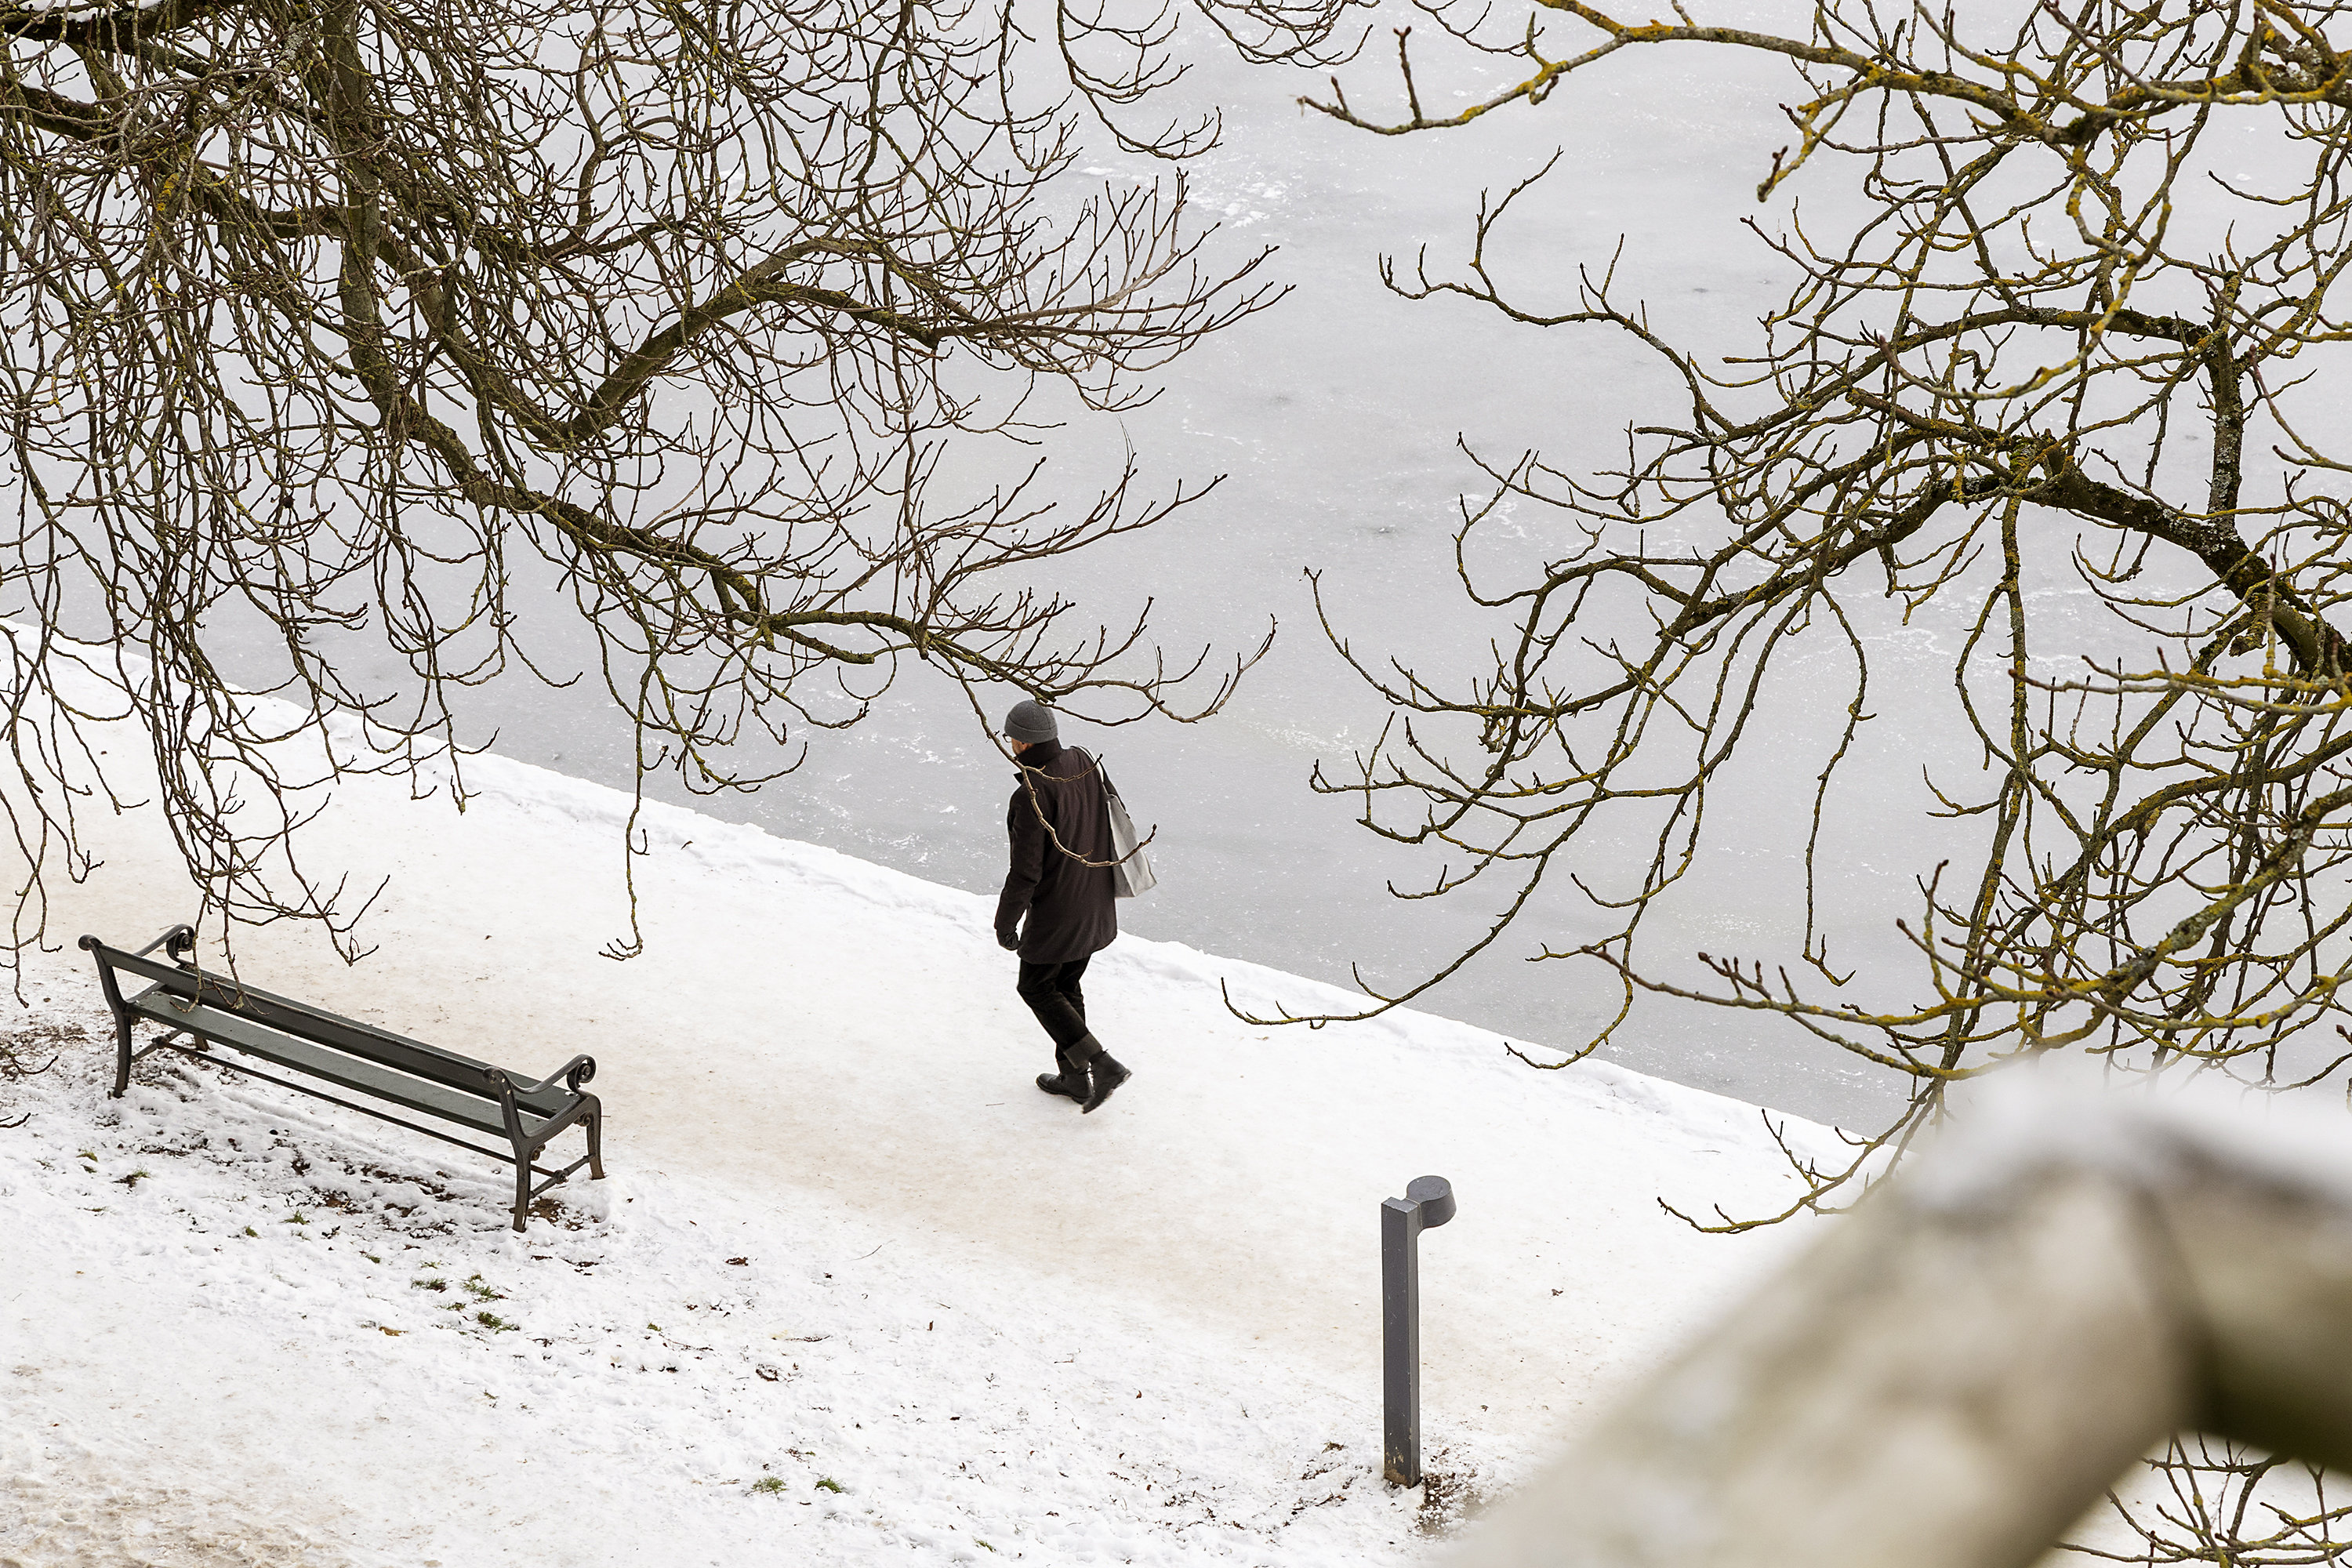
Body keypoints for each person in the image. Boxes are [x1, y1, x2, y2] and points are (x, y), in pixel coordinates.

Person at [994, 699, 1131, 1112]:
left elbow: (1026, 873)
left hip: (1059, 913)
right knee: (1066, 987)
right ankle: (1076, 1080)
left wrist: (1006, 922)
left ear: (1020, 742)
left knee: (1035, 986)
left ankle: (1102, 1064)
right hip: (1094, 901)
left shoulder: (1032, 795)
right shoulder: (1084, 760)